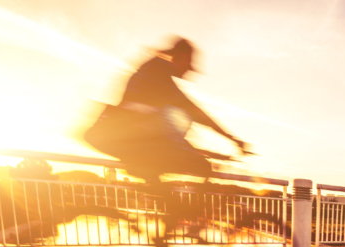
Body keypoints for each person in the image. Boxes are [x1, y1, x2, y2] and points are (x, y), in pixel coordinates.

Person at [85, 37, 246, 184]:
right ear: (181, 57)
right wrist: (232, 138)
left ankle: (155, 188)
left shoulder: (153, 70)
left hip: (120, 135)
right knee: (202, 166)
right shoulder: (159, 75)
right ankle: (175, 206)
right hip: (125, 138)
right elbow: (197, 114)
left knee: (173, 156)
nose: (188, 72)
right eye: (188, 66)